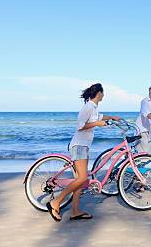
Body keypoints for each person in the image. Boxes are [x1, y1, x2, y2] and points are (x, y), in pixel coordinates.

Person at [46, 83, 120, 222]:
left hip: (83, 146)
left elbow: (100, 116)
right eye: (103, 93)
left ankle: (75, 211)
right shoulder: (88, 107)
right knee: (82, 179)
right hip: (79, 145)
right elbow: (80, 126)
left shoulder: (93, 107)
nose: (104, 95)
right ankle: (56, 202)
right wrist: (97, 124)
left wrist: (113, 117)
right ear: (98, 93)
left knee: (81, 180)